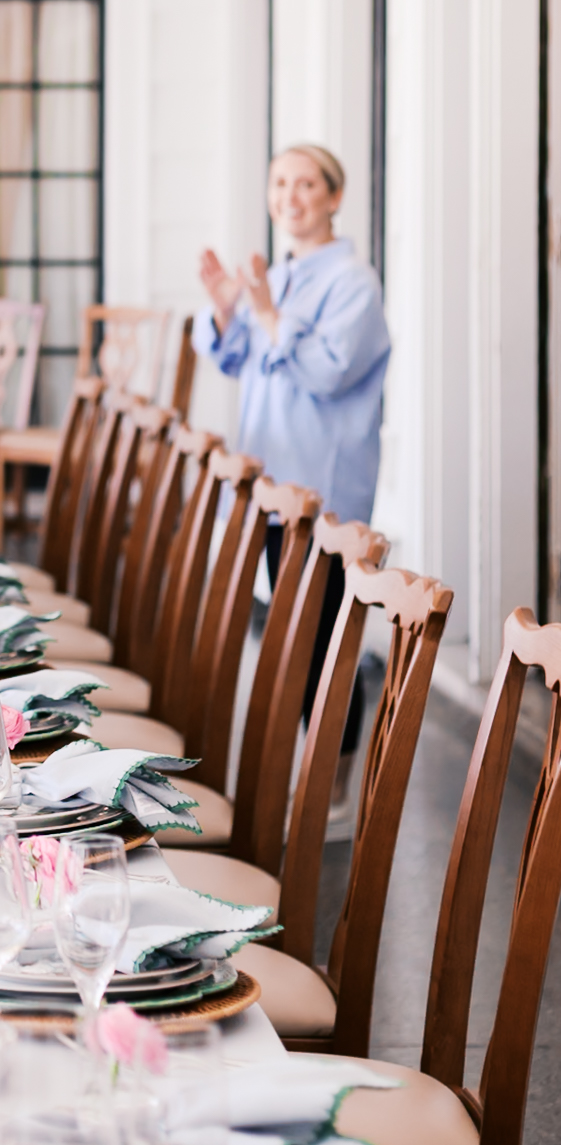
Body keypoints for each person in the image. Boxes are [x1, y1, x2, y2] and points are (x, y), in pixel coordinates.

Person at [194, 143, 390, 787]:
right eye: (280, 182)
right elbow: (233, 356)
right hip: (273, 486)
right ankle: (305, 769)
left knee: (324, 638)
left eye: (306, 184)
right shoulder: (273, 278)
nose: (290, 196)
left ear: (334, 197)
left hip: (323, 488)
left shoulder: (353, 282)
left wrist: (269, 315)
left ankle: (336, 777)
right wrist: (229, 306)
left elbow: (329, 372)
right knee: (287, 634)